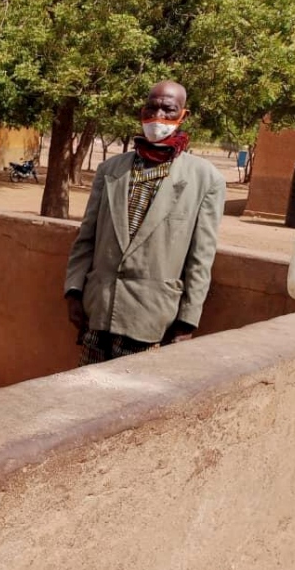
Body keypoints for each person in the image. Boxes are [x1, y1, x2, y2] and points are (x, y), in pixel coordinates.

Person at [64, 80, 226, 365]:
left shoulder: (205, 179)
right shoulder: (111, 170)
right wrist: (74, 291)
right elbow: (86, 237)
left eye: (168, 109)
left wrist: (187, 321)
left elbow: (201, 257)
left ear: (183, 115)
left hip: (152, 318)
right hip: (98, 309)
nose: (158, 116)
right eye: (152, 108)